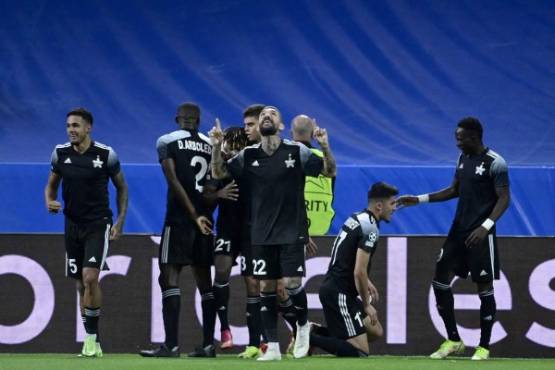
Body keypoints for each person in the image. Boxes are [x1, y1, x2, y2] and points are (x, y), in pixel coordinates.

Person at [210, 105, 336, 361]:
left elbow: (329, 170)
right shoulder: (248, 154)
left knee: (291, 284)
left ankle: (302, 326)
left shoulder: (296, 151)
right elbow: (219, 172)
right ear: (259, 125)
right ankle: (274, 347)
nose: (267, 116)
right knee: (265, 286)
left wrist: (324, 146)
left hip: (291, 229)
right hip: (261, 231)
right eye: (263, 115)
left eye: (273, 114)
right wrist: (215, 146)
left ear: (280, 126)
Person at [397, 117, 510, 361]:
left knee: (484, 289)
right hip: (457, 233)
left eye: (460, 139)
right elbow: (454, 190)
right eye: (456, 138)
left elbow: (504, 199)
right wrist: (419, 199)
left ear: (474, 137)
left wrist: (485, 227)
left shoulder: (496, 163)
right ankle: (453, 340)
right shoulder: (462, 159)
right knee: (439, 280)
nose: (457, 143)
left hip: (480, 235)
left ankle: (483, 347)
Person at [44, 107, 128, 357]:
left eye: (76, 125)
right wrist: (50, 201)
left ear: (88, 128)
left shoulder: (105, 154)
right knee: (81, 284)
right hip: (72, 225)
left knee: (90, 278)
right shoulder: (60, 154)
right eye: (69, 125)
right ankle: (95, 340)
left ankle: (89, 341)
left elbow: (122, 188)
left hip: (98, 224)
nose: (71, 130)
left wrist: (120, 221)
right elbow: (50, 186)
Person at [139, 102, 216, 358]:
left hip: (180, 220)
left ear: (177, 119)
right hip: (206, 220)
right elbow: (214, 182)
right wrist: (204, 213)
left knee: (169, 278)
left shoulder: (166, 141)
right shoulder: (210, 144)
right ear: (198, 120)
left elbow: (173, 181)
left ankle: (171, 345)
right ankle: (208, 345)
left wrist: (192, 215)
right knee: (205, 282)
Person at [310, 182, 397, 356]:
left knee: (375, 331)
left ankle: (316, 332)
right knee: (361, 351)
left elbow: (347, 256)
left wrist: (367, 281)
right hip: (339, 292)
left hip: (338, 289)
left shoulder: (357, 217)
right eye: (392, 203)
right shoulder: (371, 229)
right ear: (379, 206)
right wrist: (366, 305)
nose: (394, 208)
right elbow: (359, 271)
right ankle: (307, 337)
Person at [203, 126, 246, 350]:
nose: (234, 149)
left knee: (258, 283)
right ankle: (225, 328)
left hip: (250, 231)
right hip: (227, 229)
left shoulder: (253, 164)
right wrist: (219, 194)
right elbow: (206, 194)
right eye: (231, 145)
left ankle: (265, 337)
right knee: (220, 273)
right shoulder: (221, 167)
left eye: (239, 145)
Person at [291, 114, 335, 236]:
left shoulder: (284, 157)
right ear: (312, 134)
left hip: (290, 234)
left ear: (290, 134)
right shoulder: (326, 160)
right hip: (321, 233)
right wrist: (324, 146)